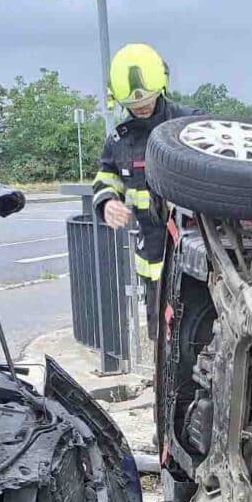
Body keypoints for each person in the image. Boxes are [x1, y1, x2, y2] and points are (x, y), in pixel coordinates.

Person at [92, 43, 204, 336]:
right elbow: (107, 177)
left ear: (162, 86)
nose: (142, 105)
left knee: (199, 329)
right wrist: (106, 203)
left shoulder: (190, 124)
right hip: (153, 256)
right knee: (160, 335)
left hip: (197, 248)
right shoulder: (120, 140)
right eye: (133, 103)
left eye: (148, 98)